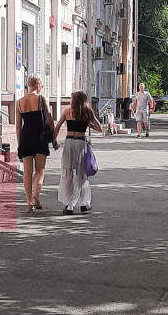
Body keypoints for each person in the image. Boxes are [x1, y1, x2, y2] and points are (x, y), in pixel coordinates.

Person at [54, 90, 103, 215]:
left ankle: (69, 205)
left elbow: (57, 127)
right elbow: (99, 128)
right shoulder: (87, 112)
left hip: (69, 143)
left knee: (68, 172)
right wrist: (87, 123)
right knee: (81, 174)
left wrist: (54, 141)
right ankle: (84, 203)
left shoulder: (67, 112)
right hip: (81, 144)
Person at [16, 74, 56, 213]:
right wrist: (54, 138)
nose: (41, 88)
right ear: (37, 85)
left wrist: (19, 143)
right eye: (41, 85)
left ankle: (28, 203)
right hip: (40, 137)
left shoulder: (19, 102)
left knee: (27, 171)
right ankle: (35, 196)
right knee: (40, 170)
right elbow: (49, 119)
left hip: (26, 137)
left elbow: (18, 126)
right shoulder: (42, 99)